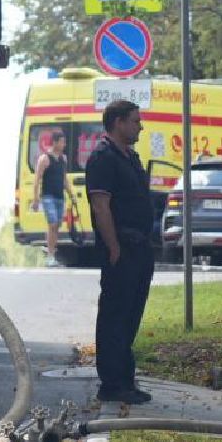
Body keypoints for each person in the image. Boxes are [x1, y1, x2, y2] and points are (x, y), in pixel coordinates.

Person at [84, 99, 155, 406]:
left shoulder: (129, 157)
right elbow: (101, 206)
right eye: (135, 120)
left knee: (130, 316)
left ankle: (125, 379)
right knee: (115, 316)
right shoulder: (103, 157)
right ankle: (112, 383)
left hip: (140, 246)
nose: (140, 125)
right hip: (121, 248)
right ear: (118, 122)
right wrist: (113, 246)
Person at [32, 129, 69, 267]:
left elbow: (64, 179)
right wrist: (36, 199)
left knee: (57, 226)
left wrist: (71, 194)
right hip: (48, 197)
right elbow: (37, 180)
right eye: (62, 142)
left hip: (60, 197)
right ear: (55, 142)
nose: (64, 144)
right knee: (52, 223)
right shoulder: (45, 159)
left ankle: (51, 251)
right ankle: (50, 256)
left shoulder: (63, 159)